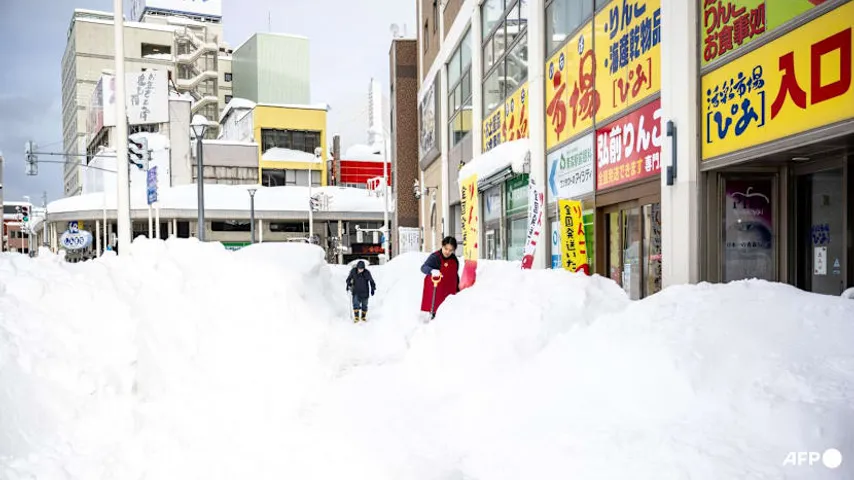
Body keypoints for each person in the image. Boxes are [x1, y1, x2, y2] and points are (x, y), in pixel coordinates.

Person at [420, 236, 460, 319]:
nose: (447, 252)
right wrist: (431, 271)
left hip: (449, 292)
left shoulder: (454, 260)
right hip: (437, 293)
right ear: (442, 246)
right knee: (438, 316)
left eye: (450, 250)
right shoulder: (435, 257)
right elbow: (423, 268)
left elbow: (455, 275)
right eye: (446, 248)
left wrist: (458, 289)